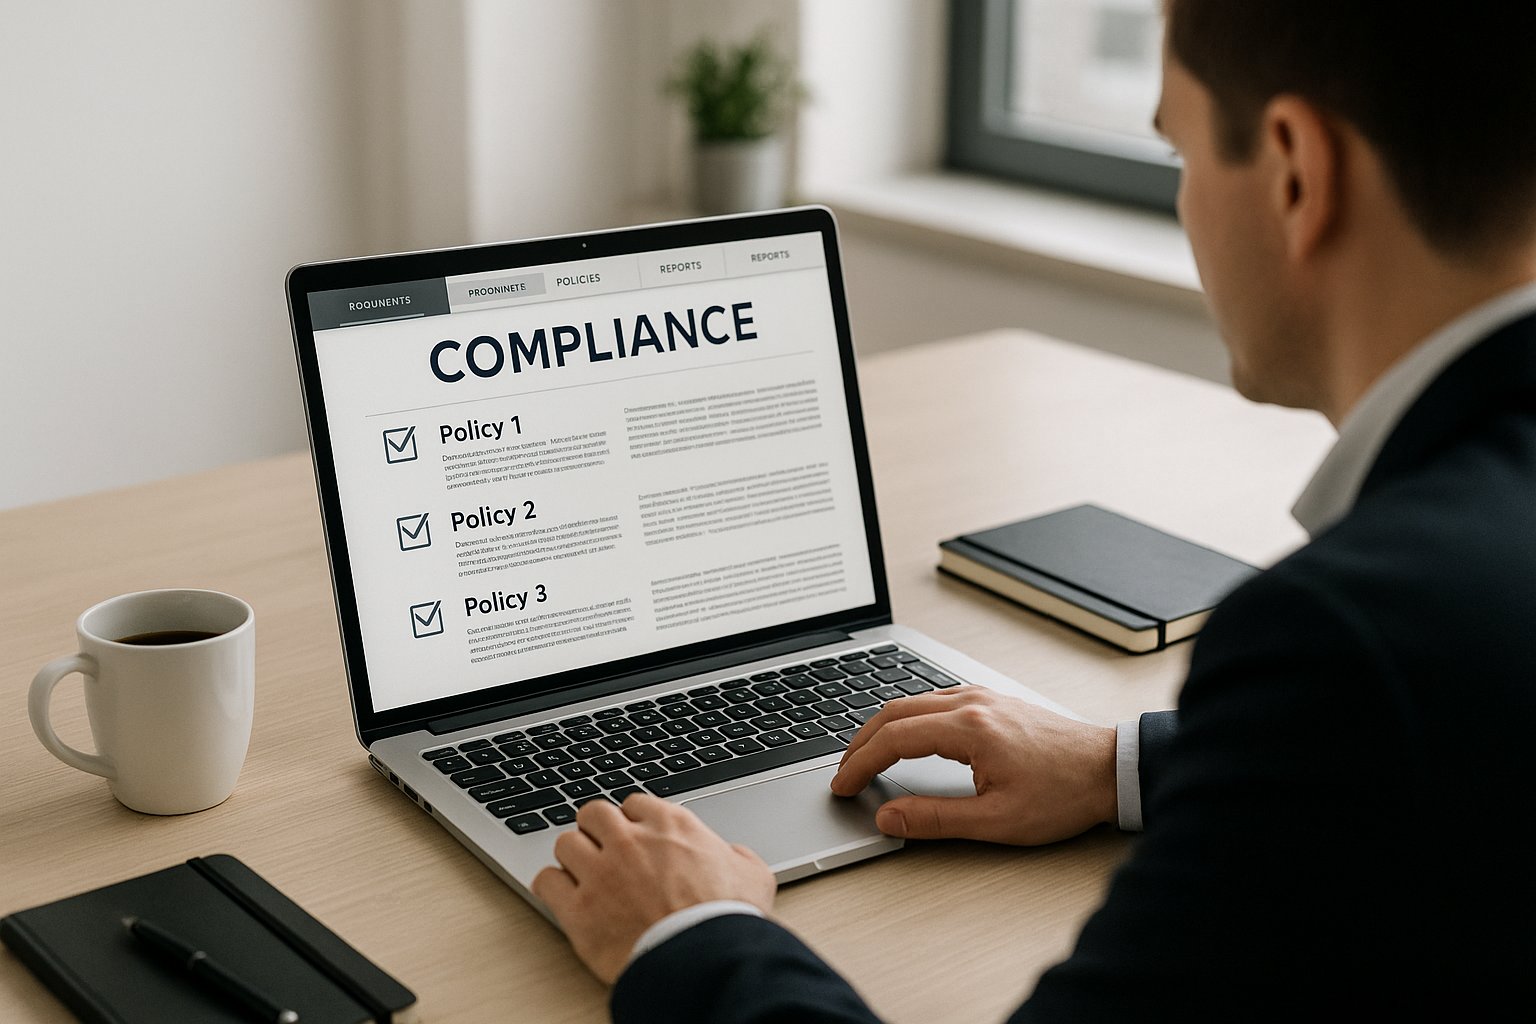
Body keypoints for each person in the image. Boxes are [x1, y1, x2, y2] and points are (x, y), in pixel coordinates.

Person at [532, 0, 1536, 1017]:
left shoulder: (1344, 643)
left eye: (1180, 154)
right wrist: (1119, 766)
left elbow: (1379, 710)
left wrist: (690, 935)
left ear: (1294, 172)